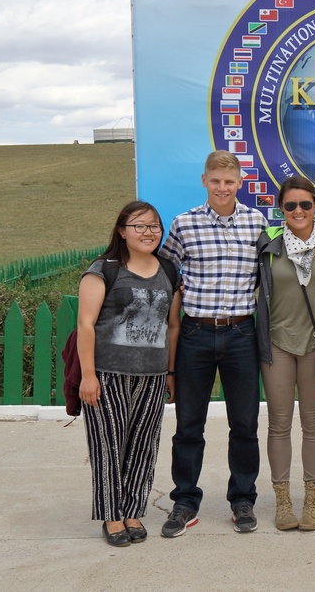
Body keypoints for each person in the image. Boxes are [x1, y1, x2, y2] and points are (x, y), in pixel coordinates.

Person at [159, 150, 268, 537]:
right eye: (215, 181)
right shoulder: (184, 224)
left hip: (241, 333)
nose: (223, 188)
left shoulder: (257, 222)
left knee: (245, 423)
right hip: (195, 334)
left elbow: (266, 275)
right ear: (204, 181)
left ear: (240, 183)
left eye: (230, 181)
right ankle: (184, 502)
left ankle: (242, 499)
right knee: (189, 424)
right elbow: (165, 272)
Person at [77, 200, 182, 547]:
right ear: (122, 231)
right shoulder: (103, 269)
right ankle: (112, 516)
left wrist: (170, 372)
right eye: (139, 226)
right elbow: (86, 325)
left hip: (152, 376)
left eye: (154, 226)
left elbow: (172, 325)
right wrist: (88, 376)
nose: (148, 232)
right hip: (108, 374)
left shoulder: (168, 269)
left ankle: (133, 509)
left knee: (142, 445)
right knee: (108, 446)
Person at [255, 176, 315, 532]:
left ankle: (311, 499)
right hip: (277, 343)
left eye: (305, 204)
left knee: (313, 424)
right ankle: (283, 501)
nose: (298, 211)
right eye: (290, 205)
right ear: (281, 208)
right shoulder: (268, 242)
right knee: (278, 425)